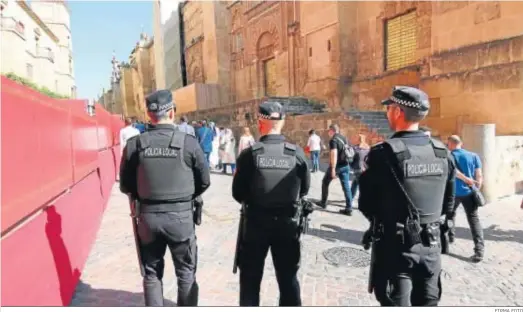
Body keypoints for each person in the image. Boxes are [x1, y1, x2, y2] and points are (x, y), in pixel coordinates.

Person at [358, 86, 456, 306]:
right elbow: (449, 201)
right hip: (431, 246)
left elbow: (366, 204)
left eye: (390, 108)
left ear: (398, 112)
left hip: (395, 248)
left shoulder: (383, 154)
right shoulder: (442, 153)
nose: (387, 113)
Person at [119, 89, 211, 306]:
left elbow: (125, 185)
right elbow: (204, 181)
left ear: (149, 115)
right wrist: (186, 195)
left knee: (151, 274)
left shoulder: (135, 144)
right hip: (181, 218)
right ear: (172, 112)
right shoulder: (188, 142)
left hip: (148, 219)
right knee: (186, 273)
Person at [232, 99, 311, 306]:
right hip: (287, 225)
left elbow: (237, 193)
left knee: (250, 279)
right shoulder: (297, 154)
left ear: (260, 123)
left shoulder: (250, 155)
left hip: (256, 224)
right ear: (283, 122)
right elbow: (304, 190)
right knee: (288, 279)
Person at [446, 134, 485, 262]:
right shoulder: (473, 156)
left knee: (449, 215)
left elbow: (454, 172)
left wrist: (465, 179)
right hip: (469, 192)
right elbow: (479, 175)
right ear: (461, 143)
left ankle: (449, 238)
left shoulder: (449, 156)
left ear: (450, 144)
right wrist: (476, 187)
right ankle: (479, 250)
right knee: (474, 220)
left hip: (453, 193)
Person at [319, 124, 353, 215]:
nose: (328, 133)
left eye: (329, 131)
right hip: (346, 165)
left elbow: (334, 153)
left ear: (332, 130)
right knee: (346, 187)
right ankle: (349, 208)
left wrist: (333, 168)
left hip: (337, 166)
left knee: (325, 182)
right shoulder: (344, 138)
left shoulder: (333, 140)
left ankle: (323, 202)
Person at [350, 134, 370, 206]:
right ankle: (351, 198)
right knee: (355, 184)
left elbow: (352, 158)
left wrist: (351, 165)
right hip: (364, 169)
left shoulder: (356, 148)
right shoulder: (368, 148)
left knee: (359, 186)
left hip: (358, 169)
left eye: (358, 138)